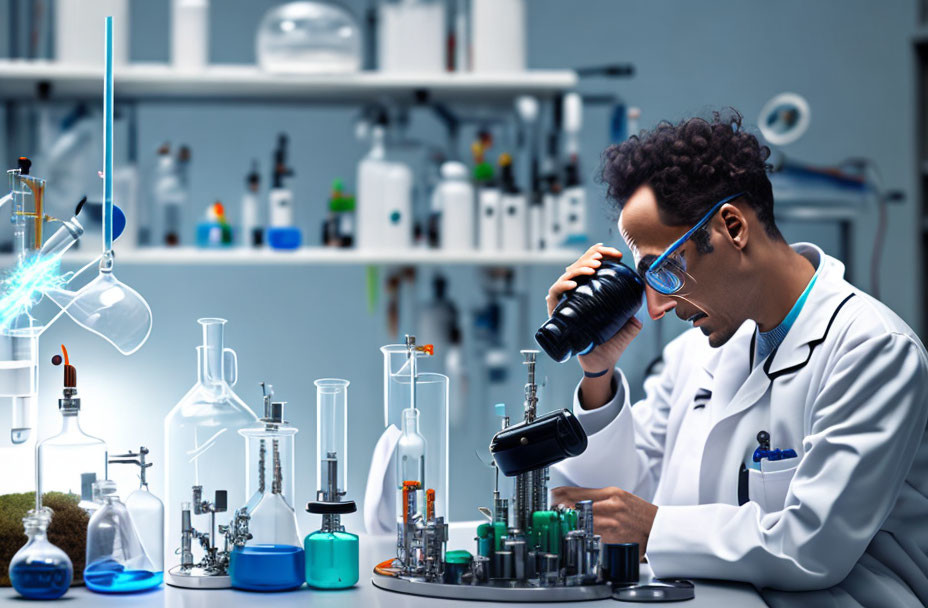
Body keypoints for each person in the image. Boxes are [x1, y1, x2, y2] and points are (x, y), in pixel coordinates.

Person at [548, 109, 928, 607]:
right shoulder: (692, 357)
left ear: (731, 227)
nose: (658, 307)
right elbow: (624, 502)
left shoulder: (873, 349)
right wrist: (597, 371)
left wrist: (657, 526)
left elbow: (811, 547)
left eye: (664, 271)